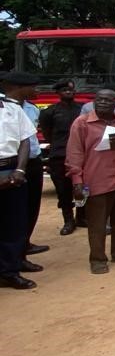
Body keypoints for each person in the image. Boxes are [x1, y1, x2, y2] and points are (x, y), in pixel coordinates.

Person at [66, 88, 115, 273]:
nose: (103, 103)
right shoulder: (82, 123)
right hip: (96, 178)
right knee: (97, 223)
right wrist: (77, 180)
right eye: (99, 99)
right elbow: (74, 153)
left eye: (108, 100)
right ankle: (98, 259)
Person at [1, 71, 48, 259]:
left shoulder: (29, 109)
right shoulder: (6, 106)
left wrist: (20, 169)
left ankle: (19, 256)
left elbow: (26, 140)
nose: (36, 90)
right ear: (18, 88)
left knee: (26, 211)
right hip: (7, 166)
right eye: (32, 87)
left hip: (28, 164)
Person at [0, 86, 38, 289]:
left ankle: (9, 271)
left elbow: (25, 141)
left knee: (14, 224)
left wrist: (20, 170)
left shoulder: (13, 109)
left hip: (12, 169)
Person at [38, 78, 84, 235]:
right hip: (60, 155)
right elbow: (47, 133)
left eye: (71, 89)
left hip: (82, 154)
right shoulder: (49, 112)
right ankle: (68, 220)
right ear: (58, 93)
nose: (69, 92)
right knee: (63, 190)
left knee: (82, 187)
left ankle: (82, 217)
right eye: (65, 90)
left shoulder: (82, 109)